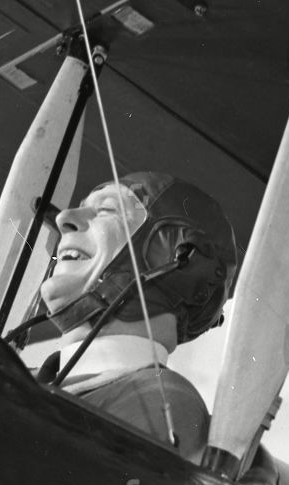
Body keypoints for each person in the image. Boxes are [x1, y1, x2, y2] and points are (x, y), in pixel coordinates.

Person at [17, 172, 238, 462]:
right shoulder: (23, 378)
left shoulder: (161, 404)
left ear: (179, 261)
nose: (65, 218)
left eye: (107, 210)